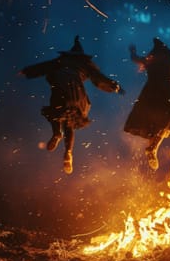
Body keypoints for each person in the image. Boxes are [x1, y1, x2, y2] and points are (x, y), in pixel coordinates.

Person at [20, 36, 124, 174]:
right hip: (75, 91)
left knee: (56, 111)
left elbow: (45, 67)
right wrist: (114, 86)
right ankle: (68, 152)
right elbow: (98, 77)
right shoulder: (85, 64)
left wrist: (27, 71)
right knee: (69, 122)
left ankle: (57, 133)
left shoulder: (61, 60)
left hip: (59, 85)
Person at [124, 38, 170, 170]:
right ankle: (152, 148)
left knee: (154, 123)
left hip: (150, 92)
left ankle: (152, 148)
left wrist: (132, 51)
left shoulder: (149, 60)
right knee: (167, 121)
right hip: (166, 92)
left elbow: (135, 58)